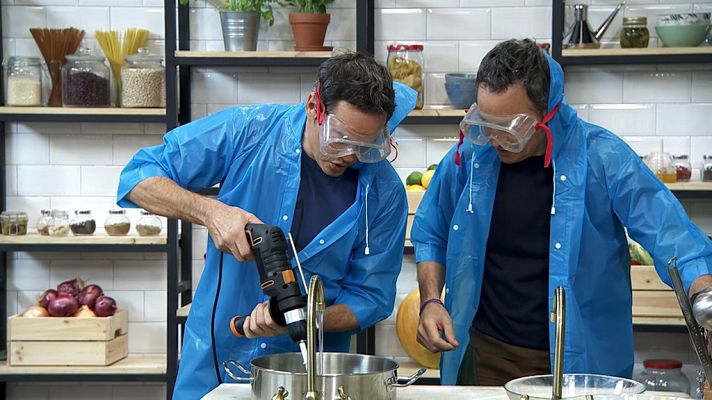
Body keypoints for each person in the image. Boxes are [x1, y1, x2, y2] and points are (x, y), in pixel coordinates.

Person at [411, 39, 712, 386]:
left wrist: (704, 295)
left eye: (509, 129)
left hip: (580, 365)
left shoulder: (604, 157)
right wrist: (430, 300)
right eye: (484, 122)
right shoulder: (472, 156)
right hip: (485, 355)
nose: (494, 139)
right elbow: (431, 231)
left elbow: (673, 237)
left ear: (547, 112)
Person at [116, 52, 417, 399]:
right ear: (313, 106)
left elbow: (371, 297)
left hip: (310, 374)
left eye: (366, 146)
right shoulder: (249, 131)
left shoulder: (385, 192)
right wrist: (212, 213)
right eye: (341, 138)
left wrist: (306, 318)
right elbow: (138, 177)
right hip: (218, 359)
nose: (349, 155)